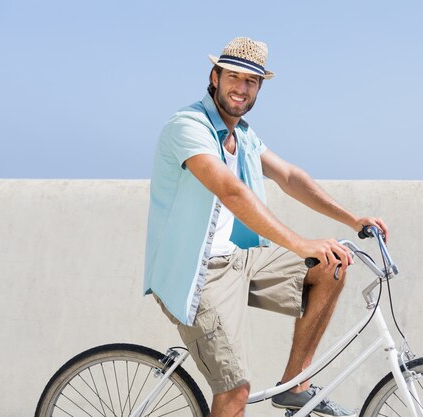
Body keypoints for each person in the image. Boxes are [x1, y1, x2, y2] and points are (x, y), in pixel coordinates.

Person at [144, 37, 389, 417]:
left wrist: (352, 219)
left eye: (252, 82)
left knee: (331, 265)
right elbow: (231, 191)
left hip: (241, 260)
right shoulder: (188, 126)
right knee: (236, 391)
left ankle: (295, 386)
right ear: (214, 76)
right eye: (234, 77)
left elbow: (290, 176)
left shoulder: (243, 135)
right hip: (198, 272)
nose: (241, 88)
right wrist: (299, 243)